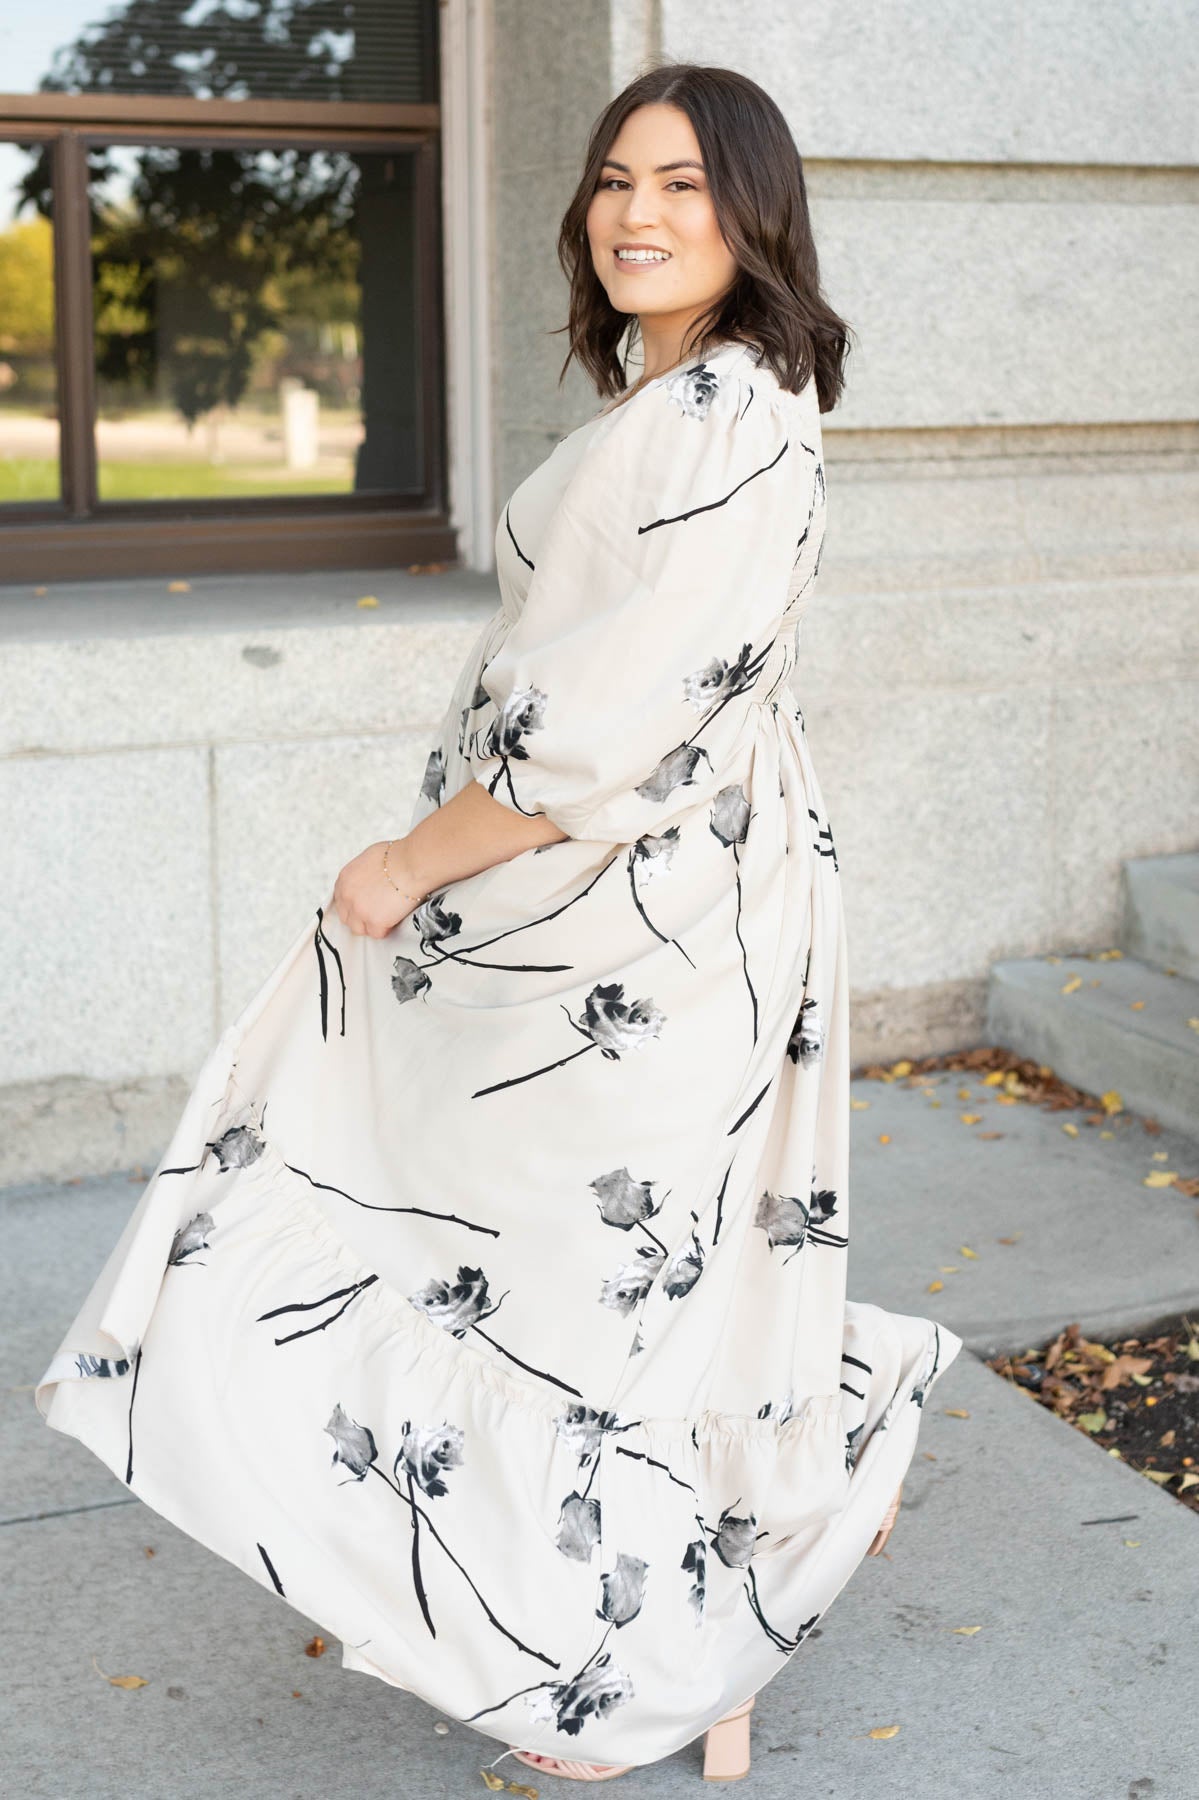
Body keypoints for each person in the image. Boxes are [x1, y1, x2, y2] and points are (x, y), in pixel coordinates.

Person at [34, 61, 963, 1785]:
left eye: (683, 183)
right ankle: (700, 1607)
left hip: (647, 896)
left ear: (752, 211)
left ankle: (707, 1599)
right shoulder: (686, 396)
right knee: (631, 1257)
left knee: (579, 1268)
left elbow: (606, 716)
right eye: (616, 179)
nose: (635, 213)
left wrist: (409, 860)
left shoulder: (725, 412)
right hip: (646, 883)